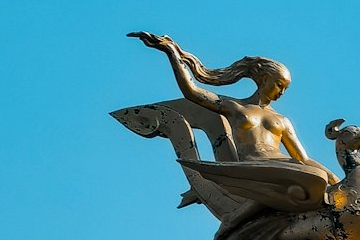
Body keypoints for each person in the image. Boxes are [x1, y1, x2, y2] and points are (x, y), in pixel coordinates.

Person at [128, 31, 316, 165]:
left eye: (286, 88)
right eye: (279, 85)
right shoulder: (235, 107)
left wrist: (335, 179)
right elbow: (192, 92)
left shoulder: (282, 121)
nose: (282, 92)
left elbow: (303, 159)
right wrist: (172, 53)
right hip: (254, 165)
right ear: (264, 79)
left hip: (282, 163)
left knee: (317, 177)